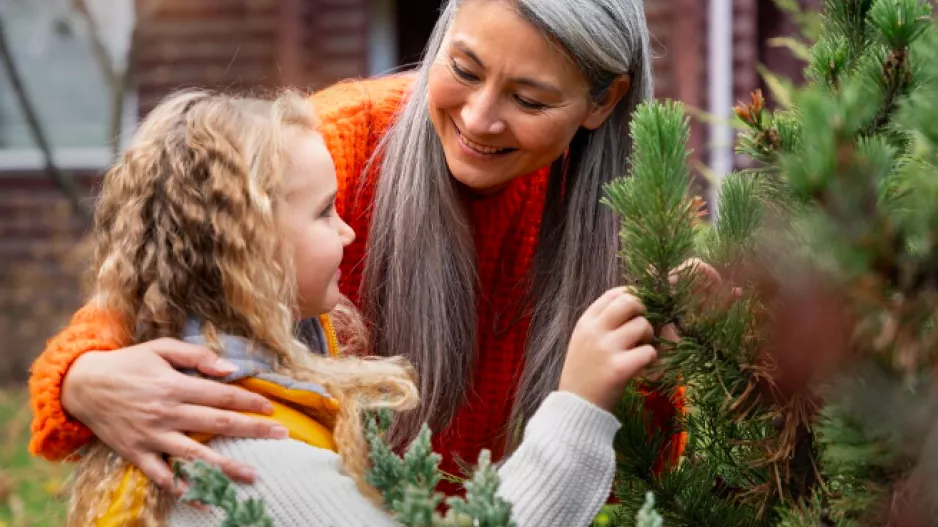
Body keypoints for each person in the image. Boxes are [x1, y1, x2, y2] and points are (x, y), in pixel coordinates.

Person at [30, 0, 686, 493]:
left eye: (529, 99)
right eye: (463, 69)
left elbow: (651, 468)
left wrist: (691, 353)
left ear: (603, 102)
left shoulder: (633, 221)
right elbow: (159, 282)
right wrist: (81, 380)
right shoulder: (333, 148)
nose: (479, 118)